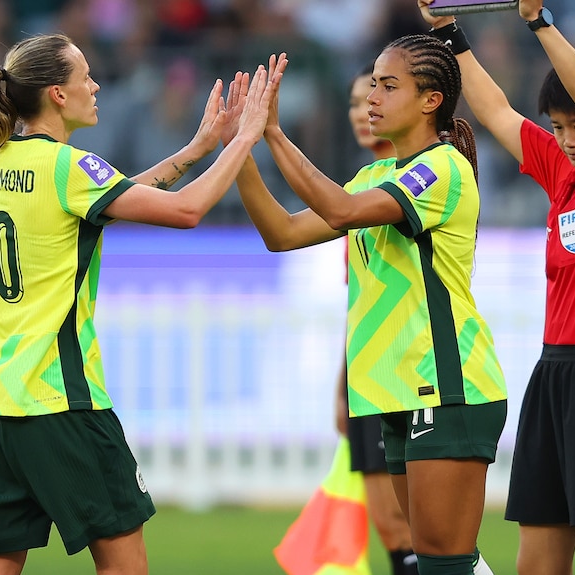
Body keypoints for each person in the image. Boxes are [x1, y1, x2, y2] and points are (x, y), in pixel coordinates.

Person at [0, 33, 284, 575]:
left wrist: (200, 146)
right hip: (58, 400)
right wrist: (245, 138)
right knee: (124, 564)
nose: (95, 85)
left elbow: (117, 197)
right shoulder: (68, 168)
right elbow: (186, 211)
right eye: (85, 76)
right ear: (58, 94)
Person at [226, 39, 507, 575]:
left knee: (443, 564)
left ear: (431, 100)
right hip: (395, 389)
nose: (371, 97)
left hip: (446, 388)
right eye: (371, 84)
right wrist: (239, 148)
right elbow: (282, 233)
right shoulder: (374, 177)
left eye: (387, 85)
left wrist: (274, 134)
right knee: (438, 563)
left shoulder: (442, 169)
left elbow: (339, 210)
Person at [417, 1, 575, 574]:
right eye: (559, 127)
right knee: (537, 562)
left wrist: (538, 20)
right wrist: (448, 32)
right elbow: (496, 112)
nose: (570, 138)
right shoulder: (562, 173)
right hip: (553, 375)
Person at [336, 61, 417, 575]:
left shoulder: (418, 178)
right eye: (355, 101)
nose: (366, 109)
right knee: (389, 527)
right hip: (367, 376)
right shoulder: (358, 187)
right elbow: (359, 304)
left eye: (378, 95)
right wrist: (342, 385)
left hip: (411, 374)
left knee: (419, 530)